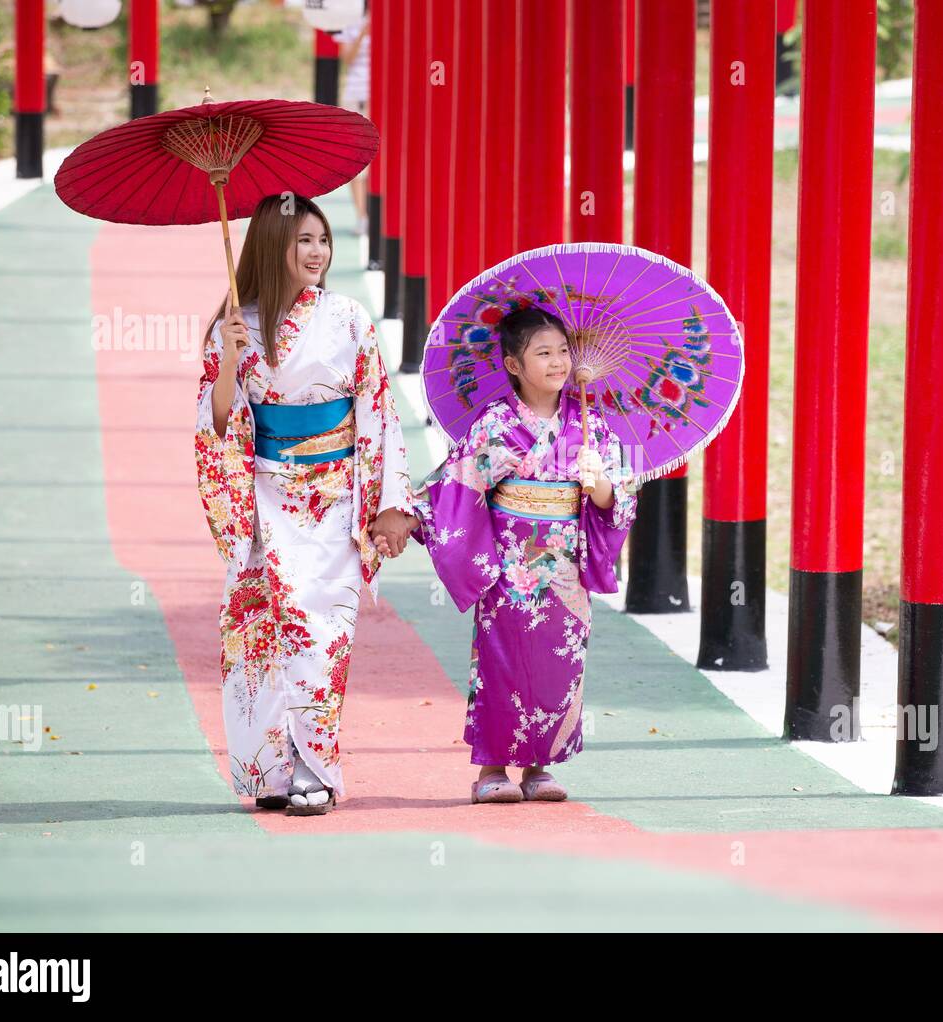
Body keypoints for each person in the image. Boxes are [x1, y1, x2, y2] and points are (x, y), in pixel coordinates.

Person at [194, 193, 419, 816]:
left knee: (322, 635)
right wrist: (229, 362)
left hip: (336, 502)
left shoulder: (348, 318)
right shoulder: (232, 326)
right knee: (265, 634)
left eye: (323, 240)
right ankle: (271, 771)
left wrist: (390, 503)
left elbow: (379, 412)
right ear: (273, 247)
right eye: (303, 241)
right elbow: (218, 427)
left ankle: (312, 766)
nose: (317, 252)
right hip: (264, 500)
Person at [375, 305, 638, 804]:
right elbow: (458, 483)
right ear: (514, 365)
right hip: (510, 566)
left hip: (565, 570)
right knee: (501, 665)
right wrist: (408, 515)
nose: (559, 362)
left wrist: (599, 482)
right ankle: (490, 769)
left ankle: (541, 766)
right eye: (544, 353)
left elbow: (618, 503)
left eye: (563, 351)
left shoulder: (592, 425)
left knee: (558, 666)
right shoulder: (497, 423)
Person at [334, 5, 372, 235]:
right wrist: (363, 33)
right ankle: (361, 215)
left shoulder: (395, 18)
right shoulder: (351, 18)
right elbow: (346, 58)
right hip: (357, 95)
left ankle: (378, 213)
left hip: (385, 97)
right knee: (356, 157)